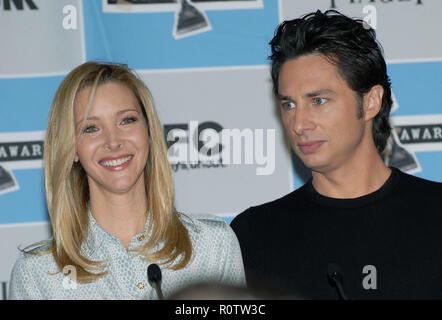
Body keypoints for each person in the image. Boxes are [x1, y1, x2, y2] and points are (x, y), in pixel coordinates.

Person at [230, 10, 442, 299]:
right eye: (289, 105)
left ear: (370, 102)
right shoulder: (256, 234)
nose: (299, 124)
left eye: (318, 101)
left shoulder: (435, 214)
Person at [9, 62, 245, 299]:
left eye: (126, 120)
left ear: (149, 131)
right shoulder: (38, 275)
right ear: (71, 149)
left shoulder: (213, 247)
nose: (113, 141)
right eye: (91, 128)